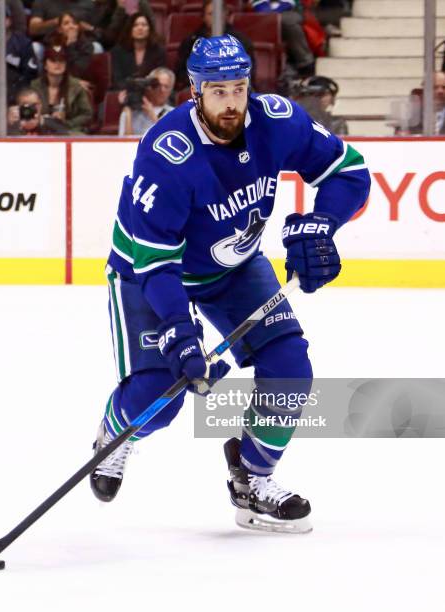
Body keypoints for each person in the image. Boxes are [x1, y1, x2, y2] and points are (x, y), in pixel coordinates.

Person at [89, 35, 370, 533]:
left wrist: (321, 223)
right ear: (195, 91)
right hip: (149, 272)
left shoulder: (277, 121)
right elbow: (155, 262)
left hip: (234, 267)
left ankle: (253, 479)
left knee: (290, 368)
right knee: (161, 395)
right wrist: (179, 329)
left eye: (238, 88)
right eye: (218, 91)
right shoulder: (167, 153)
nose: (231, 102)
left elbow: (348, 172)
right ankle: (117, 432)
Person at [175, 0, 253, 91]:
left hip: (233, 84)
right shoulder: (192, 42)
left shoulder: (240, 41)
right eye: (211, 14)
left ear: (225, 15)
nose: (216, 18)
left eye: (219, 14)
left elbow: (248, 69)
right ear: (203, 17)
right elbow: (182, 72)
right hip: (201, 85)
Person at [31, 44, 93, 133]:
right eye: (53, 60)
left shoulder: (76, 86)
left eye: (61, 60)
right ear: (45, 65)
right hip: (41, 130)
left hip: (69, 130)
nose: (57, 64)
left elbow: (87, 114)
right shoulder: (35, 86)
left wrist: (67, 123)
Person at [251, 0, 315, 76]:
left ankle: (306, 63)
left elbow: (290, 3)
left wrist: (274, 12)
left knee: (287, 20)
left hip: (290, 10)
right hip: (261, 11)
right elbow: (257, 4)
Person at [110, 11, 165, 90]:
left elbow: (160, 78)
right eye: (135, 25)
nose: (140, 28)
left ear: (149, 29)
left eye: (144, 25)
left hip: (151, 92)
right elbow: (117, 80)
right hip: (125, 92)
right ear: (130, 29)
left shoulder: (159, 51)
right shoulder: (118, 52)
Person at [118, 66, 174, 136]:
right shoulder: (131, 112)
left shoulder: (174, 113)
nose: (161, 90)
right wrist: (128, 113)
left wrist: (153, 116)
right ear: (149, 87)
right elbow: (124, 142)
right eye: (157, 85)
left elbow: (171, 139)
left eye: (166, 86)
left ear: (171, 90)